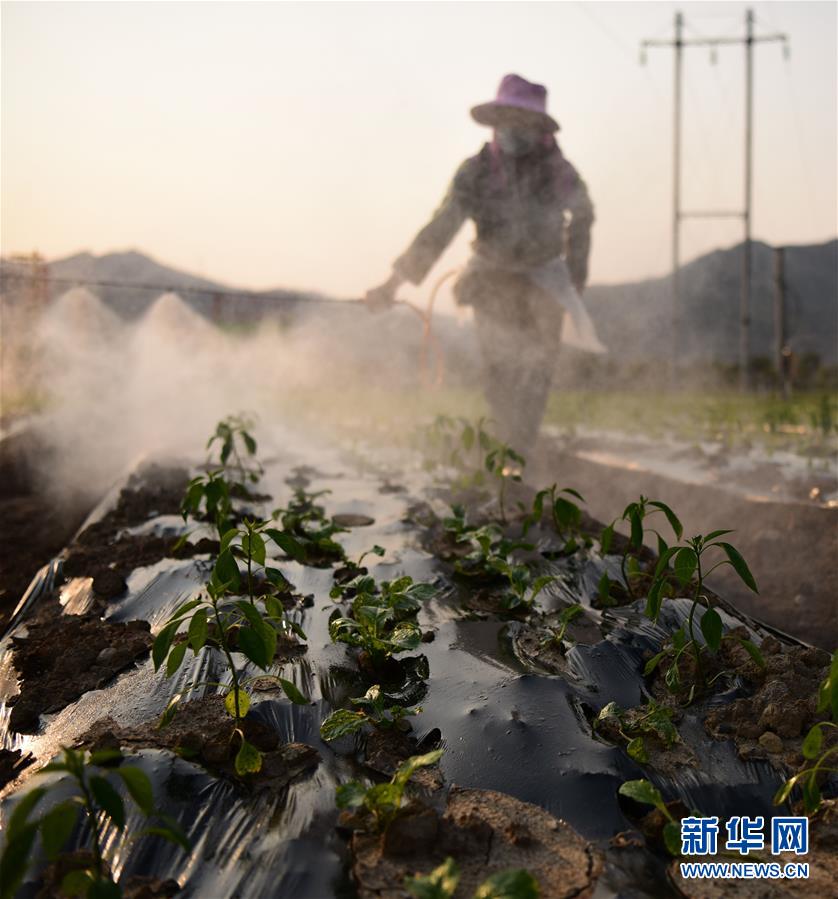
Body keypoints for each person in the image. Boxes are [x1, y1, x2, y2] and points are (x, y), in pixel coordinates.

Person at [365, 73, 602, 452]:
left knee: (537, 371)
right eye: (507, 121)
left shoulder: (559, 172)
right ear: (496, 124)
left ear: (538, 129)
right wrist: (392, 284)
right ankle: (506, 453)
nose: (514, 131)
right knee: (501, 369)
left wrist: (576, 274)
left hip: (544, 281)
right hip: (491, 279)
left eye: (523, 123)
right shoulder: (475, 172)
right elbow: (441, 227)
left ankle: (520, 450)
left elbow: (584, 215)